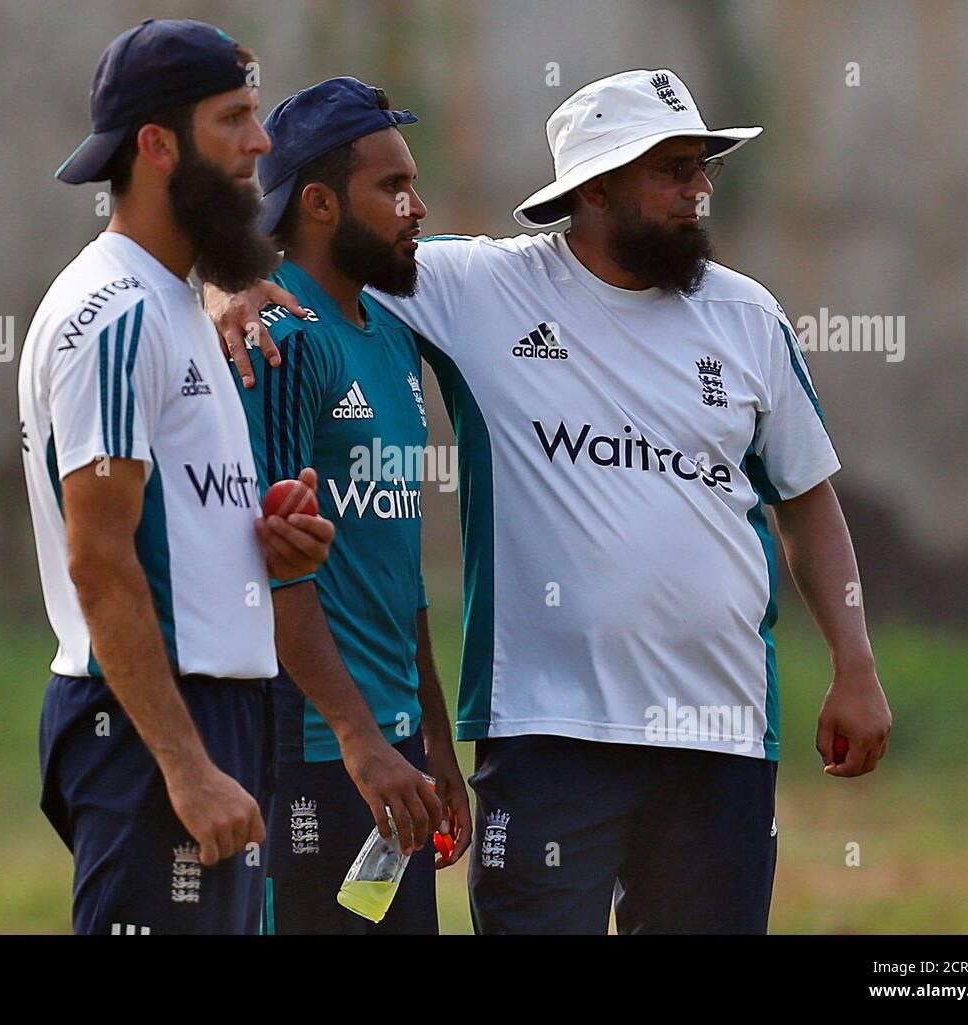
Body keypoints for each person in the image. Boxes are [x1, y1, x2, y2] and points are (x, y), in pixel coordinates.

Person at [218, 69, 892, 934]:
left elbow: (807, 498)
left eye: (704, 167)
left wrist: (856, 662)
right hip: (546, 733)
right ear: (596, 189)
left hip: (721, 730)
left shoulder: (749, 316)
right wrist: (231, 285)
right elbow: (318, 265)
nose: (699, 189)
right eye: (673, 169)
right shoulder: (473, 289)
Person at [19, 18, 334, 935]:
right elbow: (99, 558)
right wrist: (187, 767)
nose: (262, 142)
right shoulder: (114, 313)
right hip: (149, 726)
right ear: (157, 144)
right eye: (234, 118)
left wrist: (261, 541)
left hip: (218, 709)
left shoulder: (181, 303)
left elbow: (163, 530)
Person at [228, 77, 470, 935]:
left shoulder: (394, 333)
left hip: (393, 747)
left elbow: (397, 572)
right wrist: (360, 742)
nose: (418, 206)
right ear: (322, 203)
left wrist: (432, 739)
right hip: (316, 749)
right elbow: (272, 565)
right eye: (394, 187)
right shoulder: (277, 339)